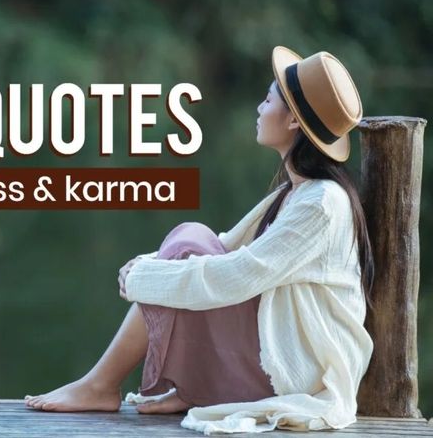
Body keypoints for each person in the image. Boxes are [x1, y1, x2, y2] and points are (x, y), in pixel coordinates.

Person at [24, 46, 375, 434]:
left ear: (293, 120)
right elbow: (228, 246)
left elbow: (238, 275)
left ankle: (101, 385)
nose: (259, 109)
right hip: (276, 354)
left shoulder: (321, 203)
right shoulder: (297, 193)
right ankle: (184, 387)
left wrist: (146, 276)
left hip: (296, 374)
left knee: (187, 248)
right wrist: (149, 264)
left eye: (267, 99)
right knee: (191, 239)